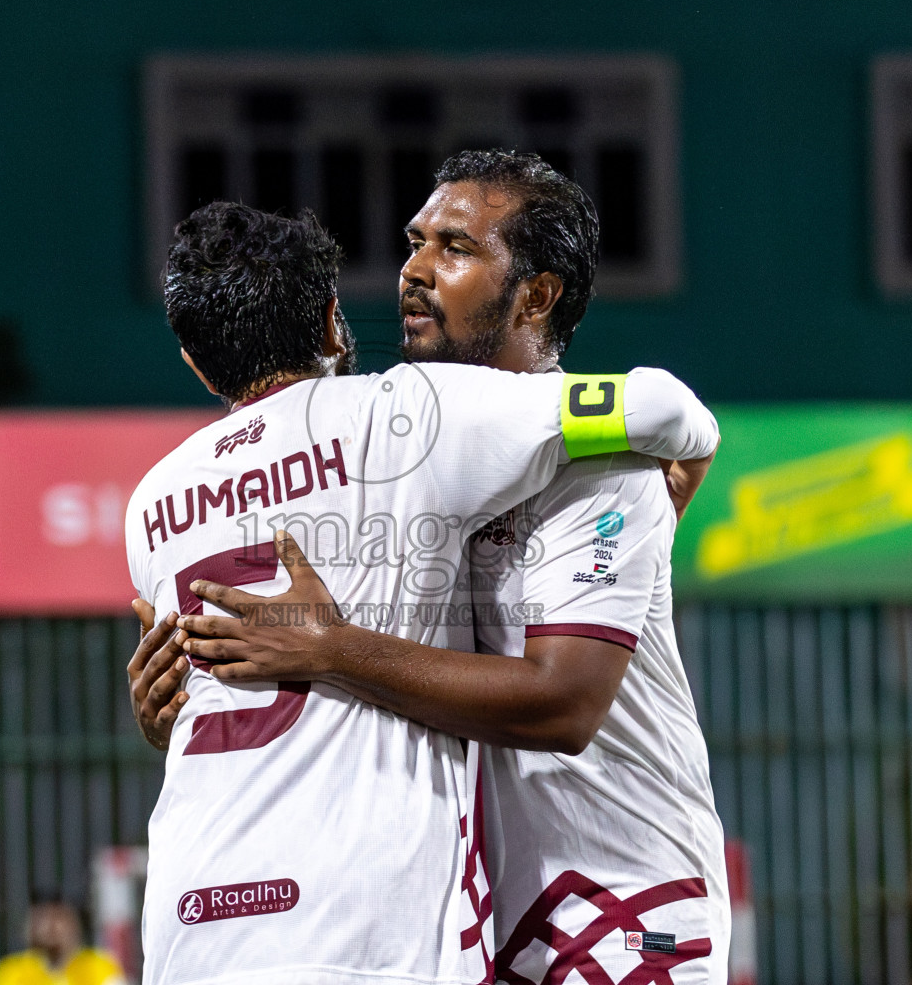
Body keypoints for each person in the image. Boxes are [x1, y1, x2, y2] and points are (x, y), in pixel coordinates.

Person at [132, 152, 730, 985]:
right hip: (481, 913)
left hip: (615, 901)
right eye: (415, 242)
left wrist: (331, 649)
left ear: (537, 295)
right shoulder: (401, 440)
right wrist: (199, 691)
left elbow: (563, 703)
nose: (414, 269)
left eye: (455, 247)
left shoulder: (609, 464)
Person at [0, 892, 125, 985]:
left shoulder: (98, 966)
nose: (49, 927)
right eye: (42, 919)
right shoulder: (12, 971)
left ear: (75, 924)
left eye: (58, 918)